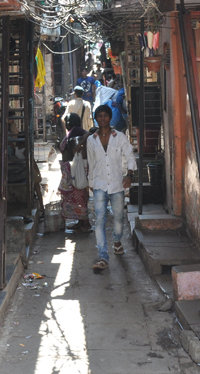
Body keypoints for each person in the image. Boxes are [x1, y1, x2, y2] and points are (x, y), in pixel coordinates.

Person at [80, 104, 136, 272]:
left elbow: (130, 155)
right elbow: (90, 162)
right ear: (95, 119)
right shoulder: (91, 140)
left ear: (110, 118)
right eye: (99, 116)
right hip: (98, 184)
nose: (102, 118)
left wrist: (130, 175)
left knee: (119, 219)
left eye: (105, 115)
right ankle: (103, 256)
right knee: (99, 220)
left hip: (117, 184)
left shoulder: (119, 137)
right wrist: (90, 183)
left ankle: (117, 241)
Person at [57, 112, 91, 232]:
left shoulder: (76, 130)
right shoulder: (72, 132)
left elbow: (88, 134)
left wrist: (80, 145)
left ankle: (85, 224)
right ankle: (80, 221)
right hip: (71, 169)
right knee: (76, 197)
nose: (65, 124)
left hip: (76, 170)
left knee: (80, 196)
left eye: (67, 122)